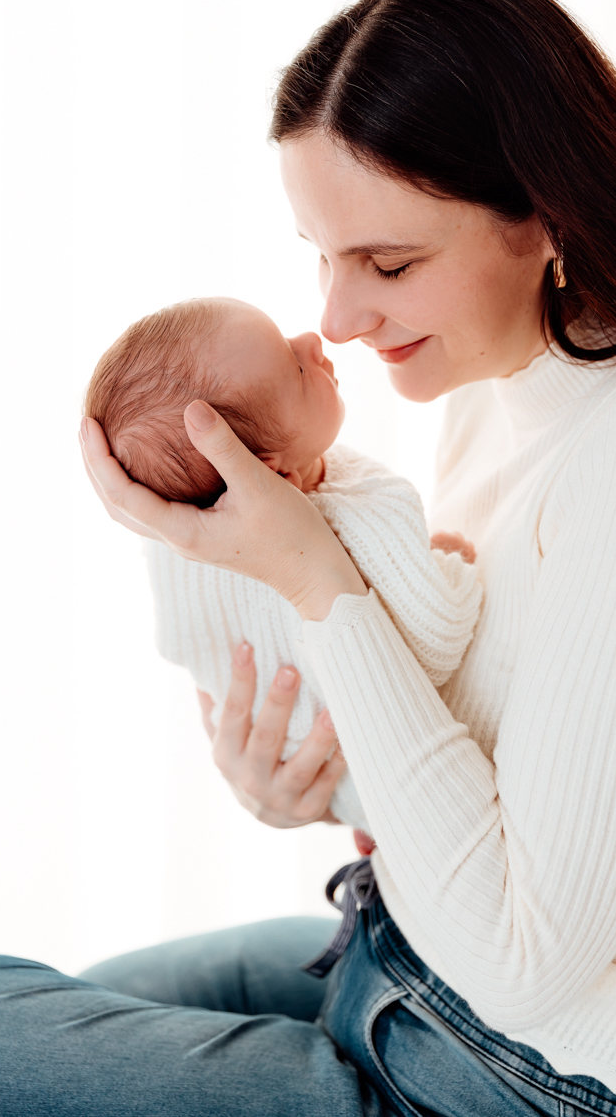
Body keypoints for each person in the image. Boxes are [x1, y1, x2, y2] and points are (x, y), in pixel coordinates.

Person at [0, 0, 616, 1117]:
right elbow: (469, 763)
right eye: (321, 252)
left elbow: (522, 954)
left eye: (389, 265)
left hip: (534, 1080)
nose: (337, 319)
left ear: (549, 213)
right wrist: (312, 787)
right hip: (400, 963)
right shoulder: (498, 388)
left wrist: (313, 576)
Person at [84, 294, 481, 830]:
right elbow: (437, 641)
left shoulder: (178, 544)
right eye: (295, 367)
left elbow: (187, 649)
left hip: (325, 788)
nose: (313, 340)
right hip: (407, 799)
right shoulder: (364, 515)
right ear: (266, 474)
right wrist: (450, 565)